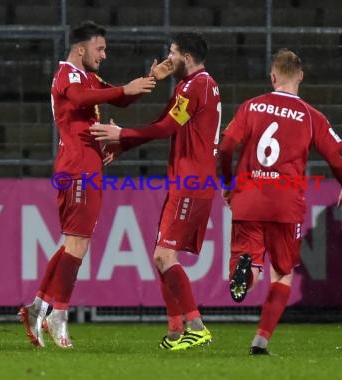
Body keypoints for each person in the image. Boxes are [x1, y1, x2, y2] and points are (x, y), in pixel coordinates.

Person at [18, 20, 171, 349]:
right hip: (77, 170)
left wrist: (150, 80)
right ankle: (58, 313)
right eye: (99, 48)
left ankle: (36, 308)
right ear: (80, 48)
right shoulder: (68, 76)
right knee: (77, 246)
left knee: (71, 244)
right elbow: (79, 98)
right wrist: (123, 90)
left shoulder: (89, 77)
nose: (104, 54)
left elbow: (121, 99)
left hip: (88, 167)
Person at [219, 48, 342, 355]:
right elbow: (335, 159)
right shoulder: (311, 116)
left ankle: (246, 268)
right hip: (286, 202)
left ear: (272, 76)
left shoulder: (251, 106)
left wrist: (228, 183)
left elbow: (226, 148)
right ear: (301, 77)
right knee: (282, 272)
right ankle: (260, 340)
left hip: (249, 197)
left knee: (250, 269)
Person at [91, 32, 221, 351]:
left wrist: (121, 132)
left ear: (187, 58)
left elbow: (166, 128)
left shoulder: (197, 85)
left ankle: (197, 326)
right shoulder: (191, 86)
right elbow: (163, 120)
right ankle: (176, 331)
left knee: (164, 256)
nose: (168, 58)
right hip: (187, 180)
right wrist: (124, 144)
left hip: (192, 181)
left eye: (173, 53)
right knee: (161, 256)